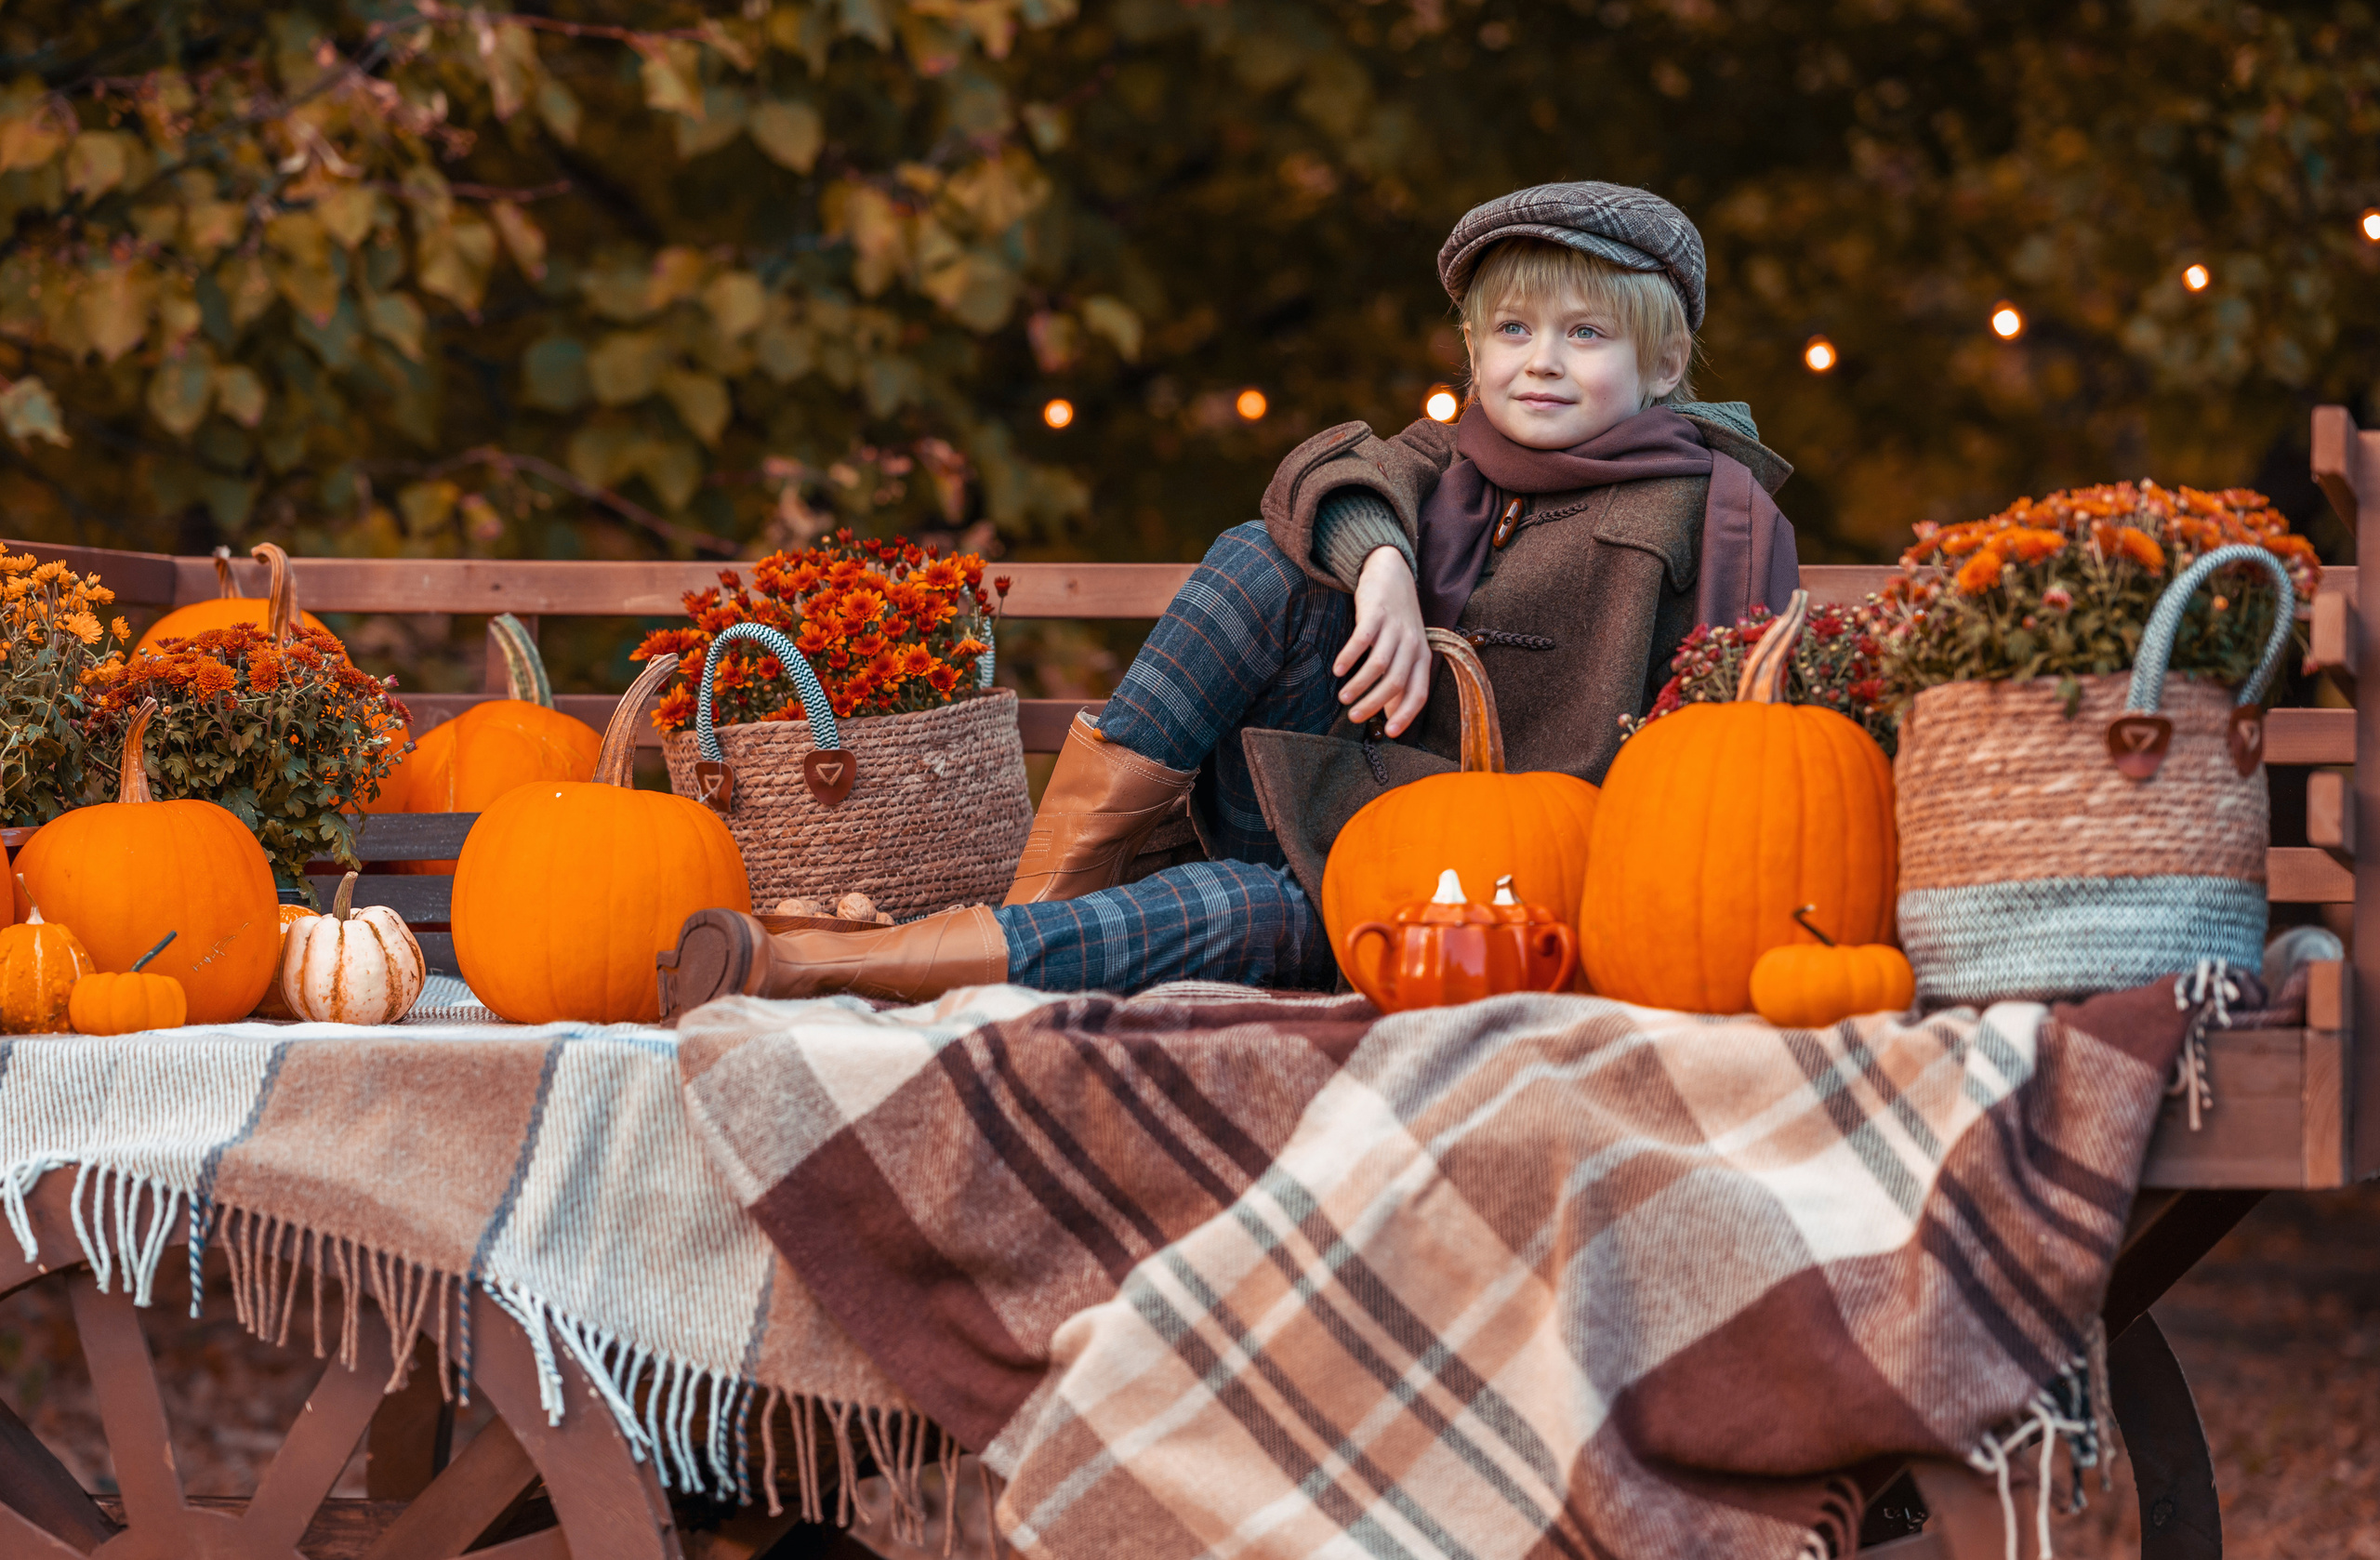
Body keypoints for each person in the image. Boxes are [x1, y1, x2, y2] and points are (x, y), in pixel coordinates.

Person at [654, 181, 1798, 1015]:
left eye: (1583, 334)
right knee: (1262, 551)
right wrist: (1383, 565)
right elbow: (1317, 476)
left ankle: (843, 963)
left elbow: (1721, 751)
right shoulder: (1450, 461)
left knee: (1224, 911)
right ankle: (1038, 891)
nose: (1539, 361)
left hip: (1470, 895)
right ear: (1470, 348)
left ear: (1661, 365)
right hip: (1323, 786)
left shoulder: (1711, 514)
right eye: (1512, 329)